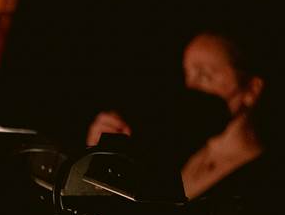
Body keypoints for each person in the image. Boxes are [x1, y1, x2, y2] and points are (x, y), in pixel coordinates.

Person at [87, 30, 267, 201]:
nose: (191, 87)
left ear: (252, 89)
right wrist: (101, 155)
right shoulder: (178, 150)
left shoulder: (259, 181)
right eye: (188, 74)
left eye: (205, 75)